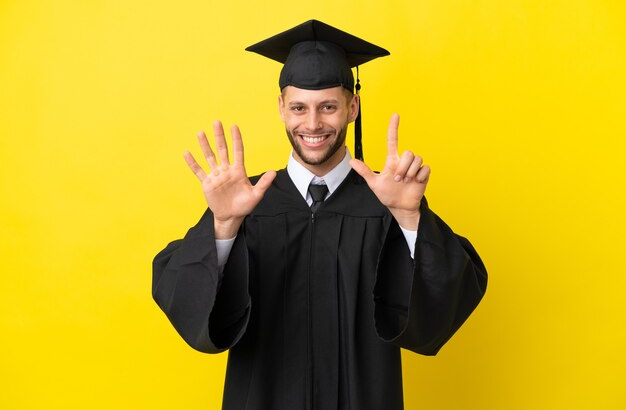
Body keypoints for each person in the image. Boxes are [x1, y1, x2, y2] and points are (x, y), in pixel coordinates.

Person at [152, 20, 488, 410]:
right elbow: (181, 298)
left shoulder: (386, 206)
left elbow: (450, 299)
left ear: (352, 107)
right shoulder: (246, 203)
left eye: (328, 106)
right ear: (281, 108)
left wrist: (411, 219)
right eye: (299, 107)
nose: (312, 124)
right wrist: (223, 226)